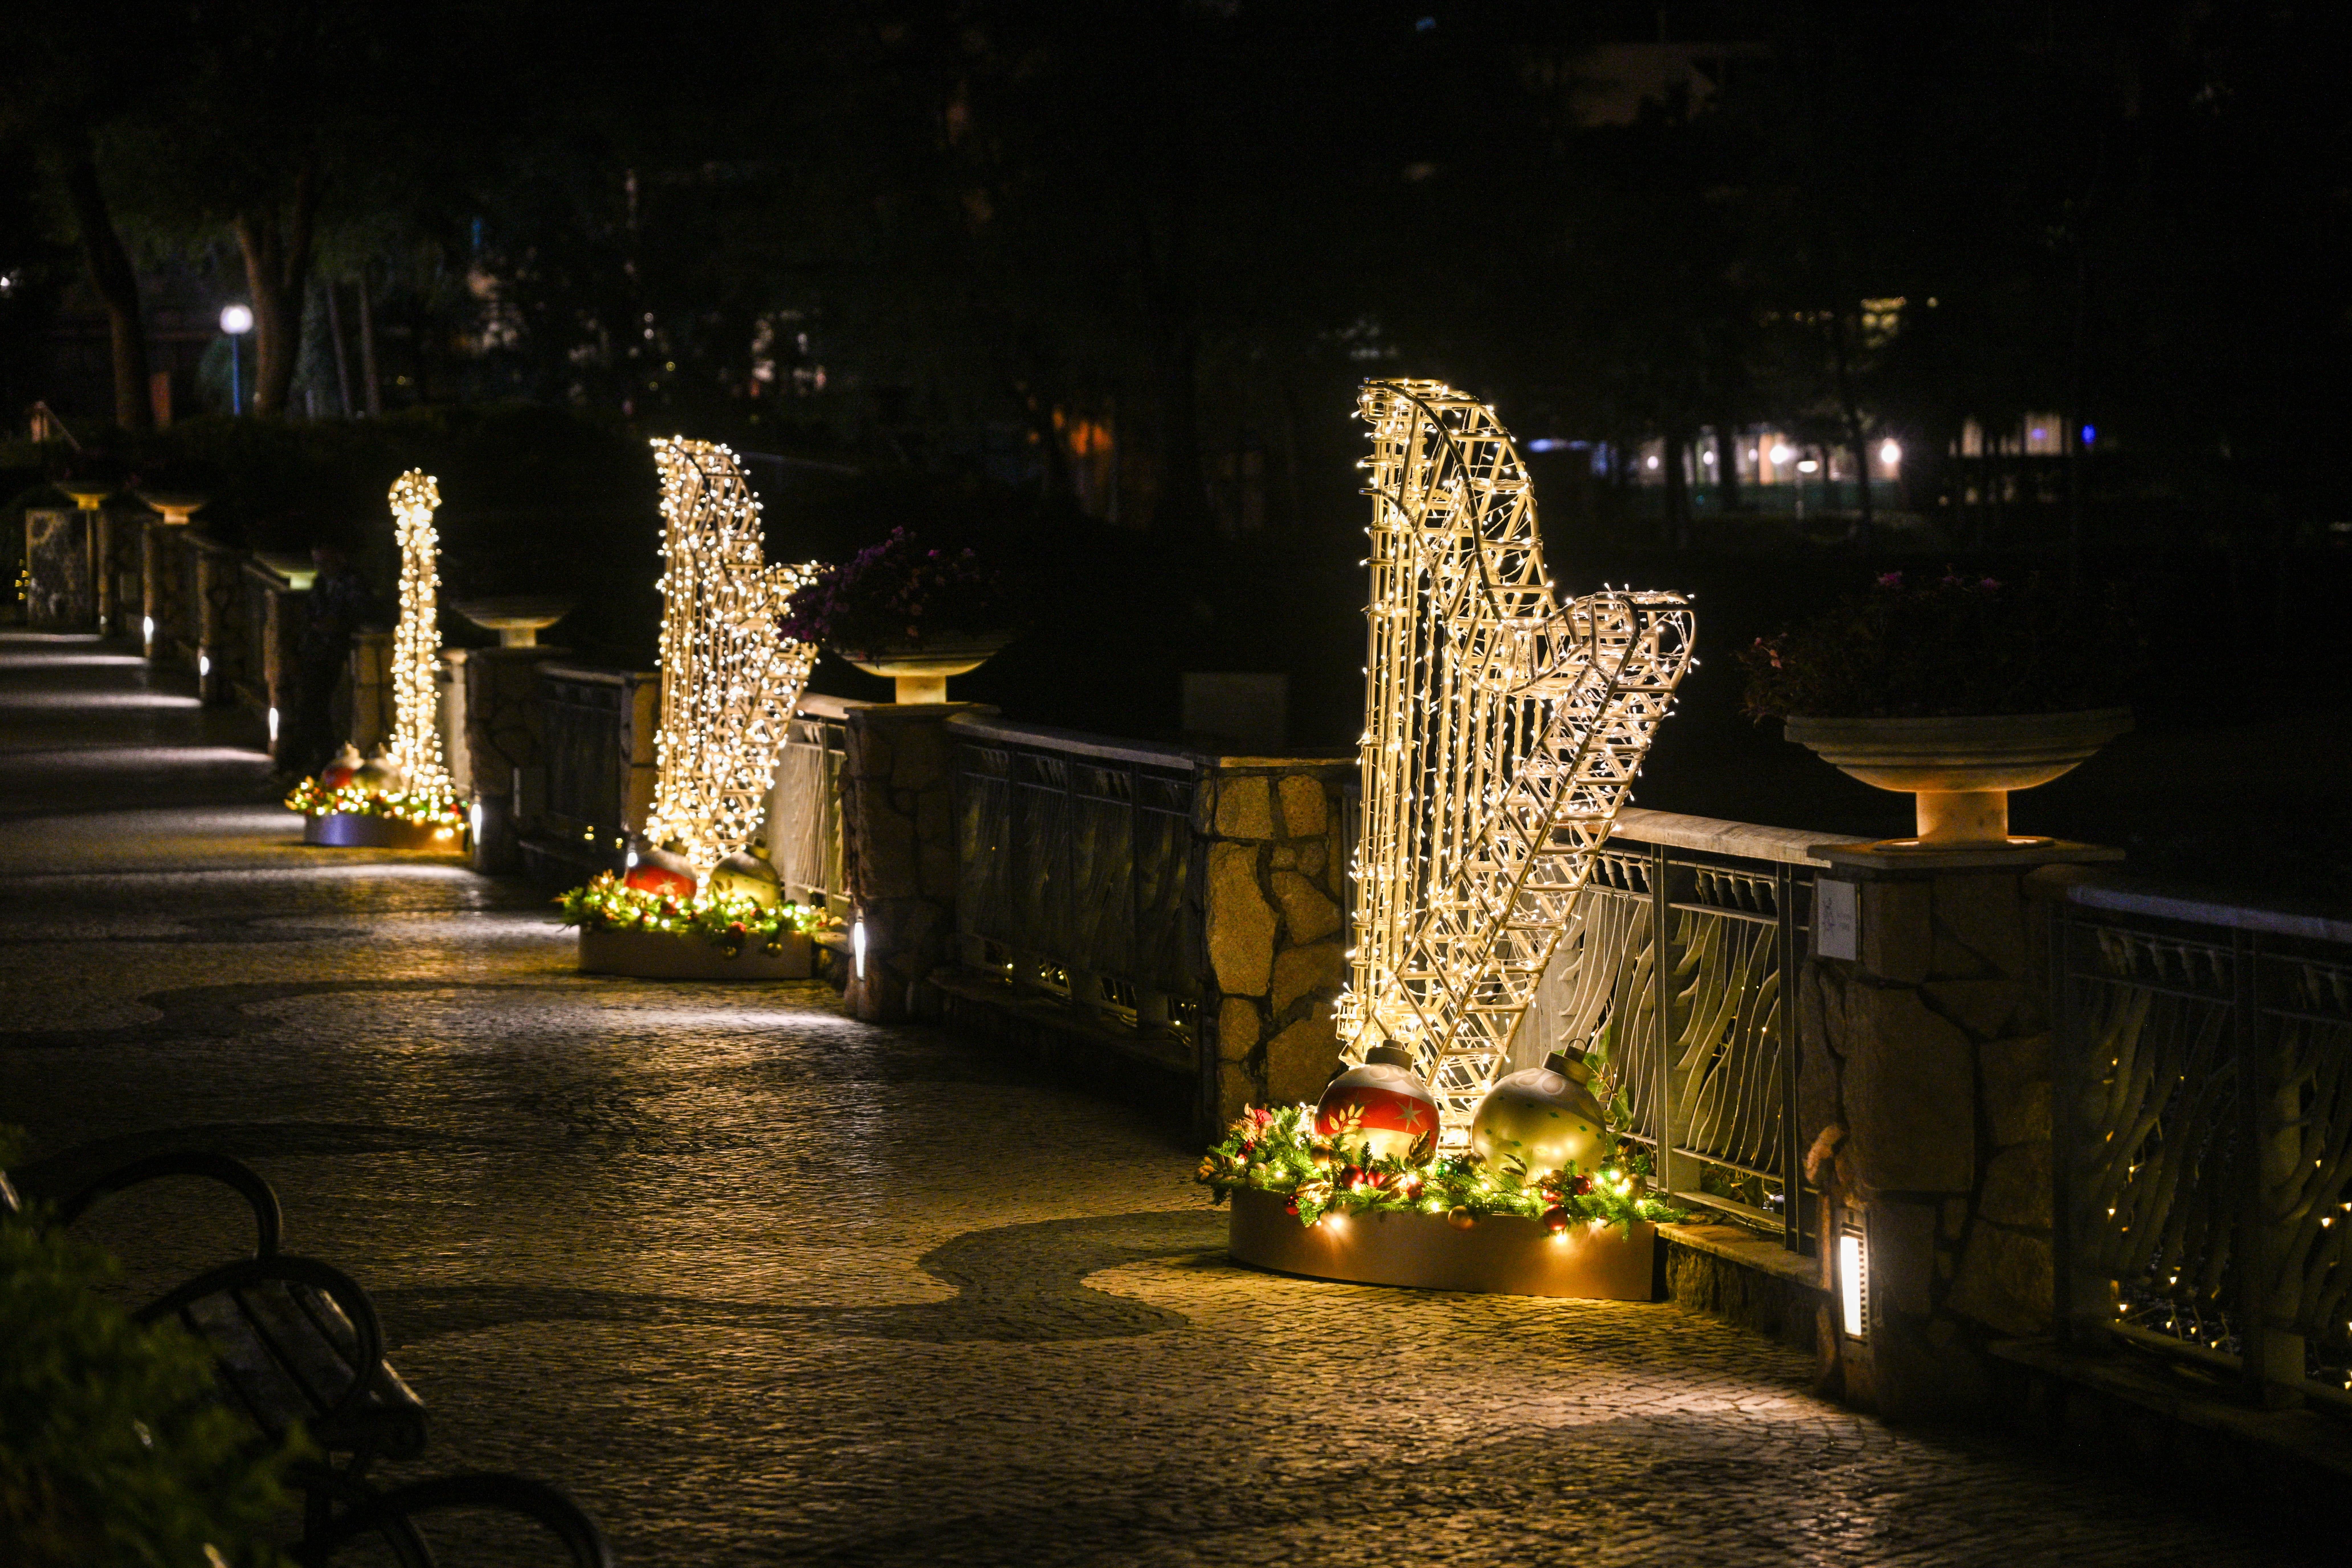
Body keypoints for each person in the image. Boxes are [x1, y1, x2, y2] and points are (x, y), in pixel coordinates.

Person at [278, 542, 376, 782]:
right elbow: (310, 613)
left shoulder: (351, 583)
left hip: (334, 653)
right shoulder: (322, 584)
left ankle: (315, 761)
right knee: (310, 707)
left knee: (318, 707)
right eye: (318, 563)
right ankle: (307, 761)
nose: (321, 568)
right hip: (315, 652)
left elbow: (362, 612)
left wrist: (337, 625)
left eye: (325, 563)